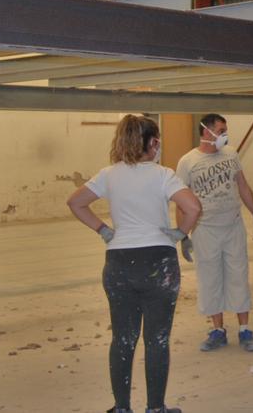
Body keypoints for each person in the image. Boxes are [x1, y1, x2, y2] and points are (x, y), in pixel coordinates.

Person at [66, 114, 202, 413]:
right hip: (158, 262)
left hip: (119, 263)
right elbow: (192, 206)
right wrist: (180, 233)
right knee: (157, 340)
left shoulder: (108, 175)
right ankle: (155, 408)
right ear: (153, 143)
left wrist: (103, 230)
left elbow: (76, 202)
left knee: (123, 340)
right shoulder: (163, 175)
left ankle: (121, 407)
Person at [175, 113, 253, 353]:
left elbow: (243, 186)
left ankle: (245, 330)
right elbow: (181, 201)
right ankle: (218, 331)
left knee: (239, 276)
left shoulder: (231, 154)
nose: (225, 135)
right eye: (221, 130)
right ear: (206, 131)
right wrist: (183, 235)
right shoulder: (187, 162)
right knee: (210, 280)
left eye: (225, 130)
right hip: (205, 230)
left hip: (233, 226)